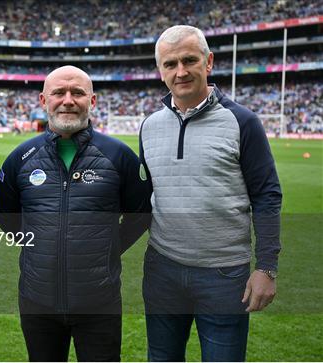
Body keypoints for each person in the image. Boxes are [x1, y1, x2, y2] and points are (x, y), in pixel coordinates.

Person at [139, 25, 282, 361]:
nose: (181, 71)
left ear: (209, 62)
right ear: (160, 71)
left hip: (224, 275)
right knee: (161, 357)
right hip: (161, 270)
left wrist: (267, 267)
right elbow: (144, 200)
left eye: (189, 60)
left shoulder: (243, 122)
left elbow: (267, 195)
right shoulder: (149, 126)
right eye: (170, 64)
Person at [0, 65, 152, 362]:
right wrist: (39, 246)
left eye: (78, 93)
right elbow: (6, 216)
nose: (68, 100)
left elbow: (141, 214)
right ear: (44, 101)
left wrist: (108, 246)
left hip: (99, 304)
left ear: (92, 101)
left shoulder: (118, 156)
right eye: (59, 93)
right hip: (37, 302)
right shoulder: (21, 158)